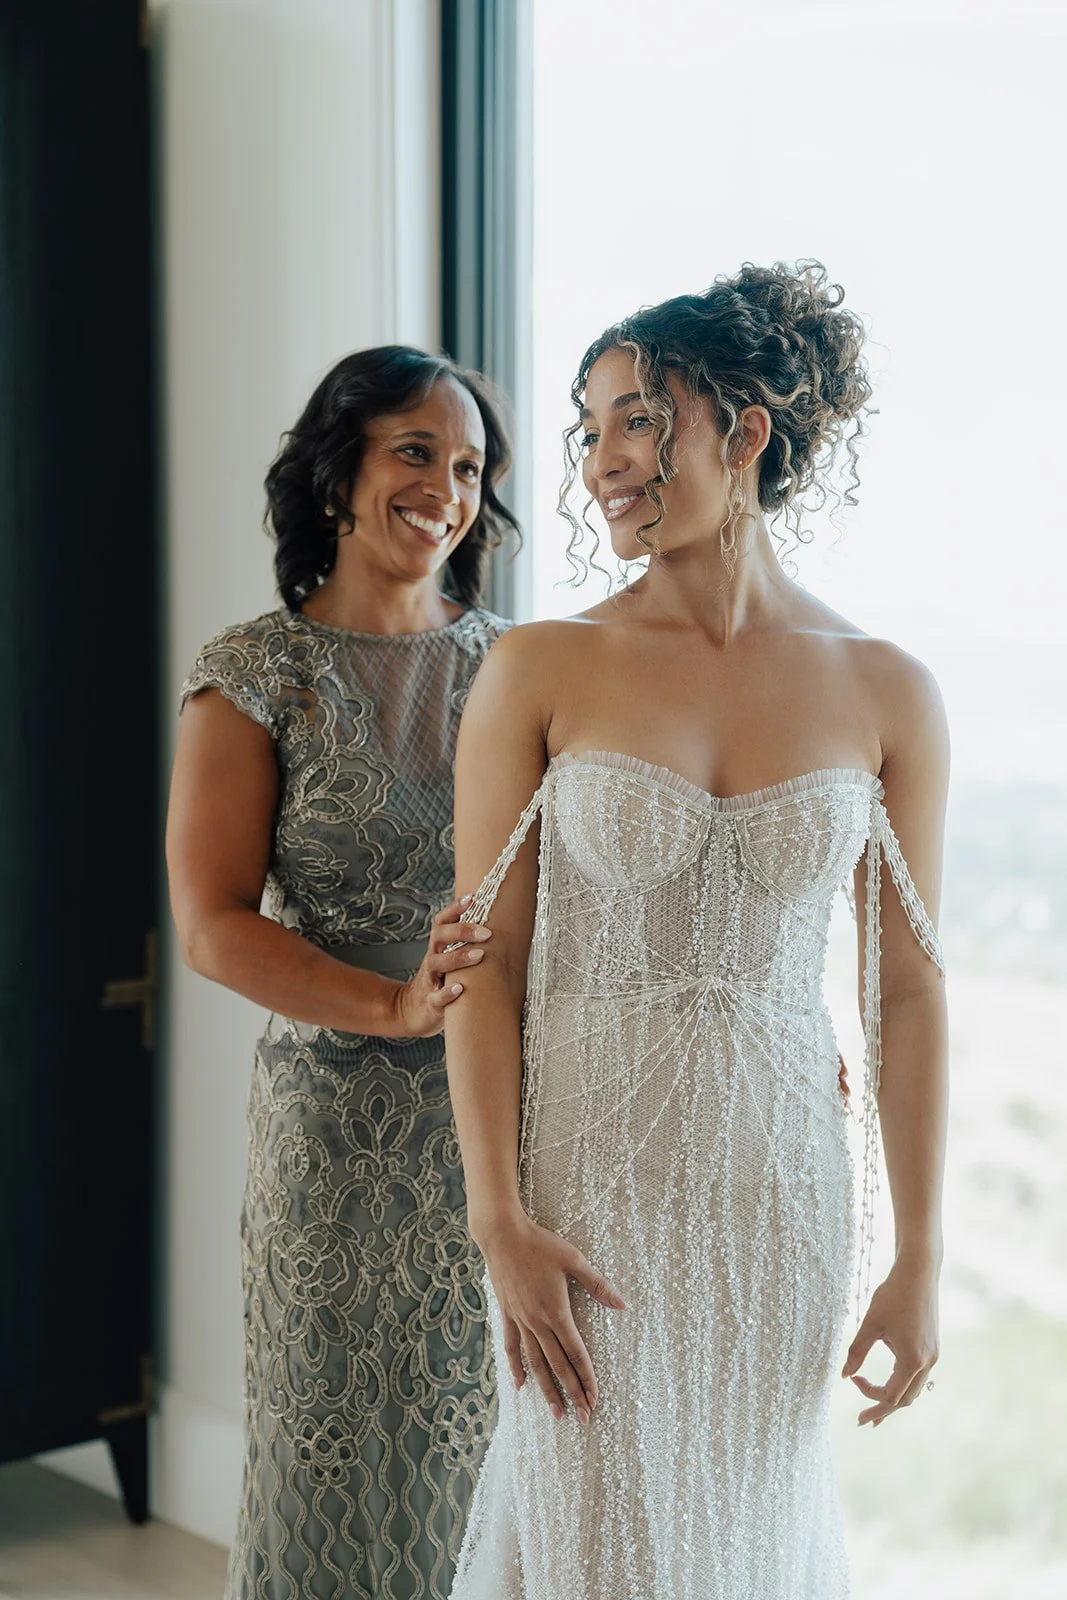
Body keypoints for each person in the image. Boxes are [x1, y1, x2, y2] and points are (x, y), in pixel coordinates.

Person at [442, 263, 948, 1599]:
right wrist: (495, 1217)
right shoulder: (538, 669)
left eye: (634, 419)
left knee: (740, 1535)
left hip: (775, 1196)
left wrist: (916, 1254)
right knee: (585, 1535)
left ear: (743, 430)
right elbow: (480, 971)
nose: (601, 460)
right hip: (584, 1193)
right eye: (588, 426)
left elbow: (904, 994)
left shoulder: (886, 691)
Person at [166, 346, 517, 1600]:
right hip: (329, 1132)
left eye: (467, 464)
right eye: (412, 451)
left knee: (475, 1453)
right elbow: (210, 922)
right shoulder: (257, 672)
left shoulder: (515, 669)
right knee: (325, 1447)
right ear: (337, 474)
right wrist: (390, 1004)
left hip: (494, 1126)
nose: (444, 486)